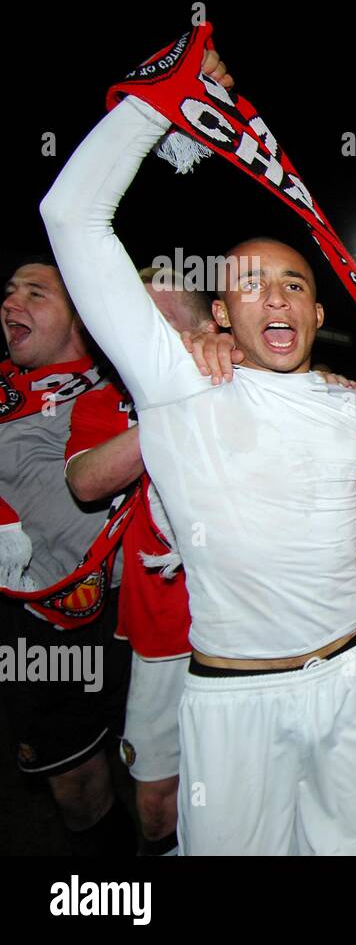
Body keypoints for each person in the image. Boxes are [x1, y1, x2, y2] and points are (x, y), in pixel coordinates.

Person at [41, 42, 356, 855]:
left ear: (319, 317)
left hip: (355, 678)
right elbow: (71, 218)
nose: (277, 296)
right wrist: (159, 104)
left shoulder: (346, 407)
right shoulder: (177, 385)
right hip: (234, 699)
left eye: (295, 285)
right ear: (221, 316)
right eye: (251, 283)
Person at [62, 266, 213, 856]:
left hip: (252, 629)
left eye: (158, 321)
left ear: (208, 327)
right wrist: (170, 399)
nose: (139, 335)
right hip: (161, 630)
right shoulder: (107, 402)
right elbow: (87, 480)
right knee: (156, 806)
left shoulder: (239, 378)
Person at [0, 257, 134, 855]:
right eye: (9, 293)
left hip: (138, 614)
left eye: (35, 293)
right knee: (76, 787)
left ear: (79, 314)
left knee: (163, 770)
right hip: (40, 625)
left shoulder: (127, 382)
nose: (11, 304)